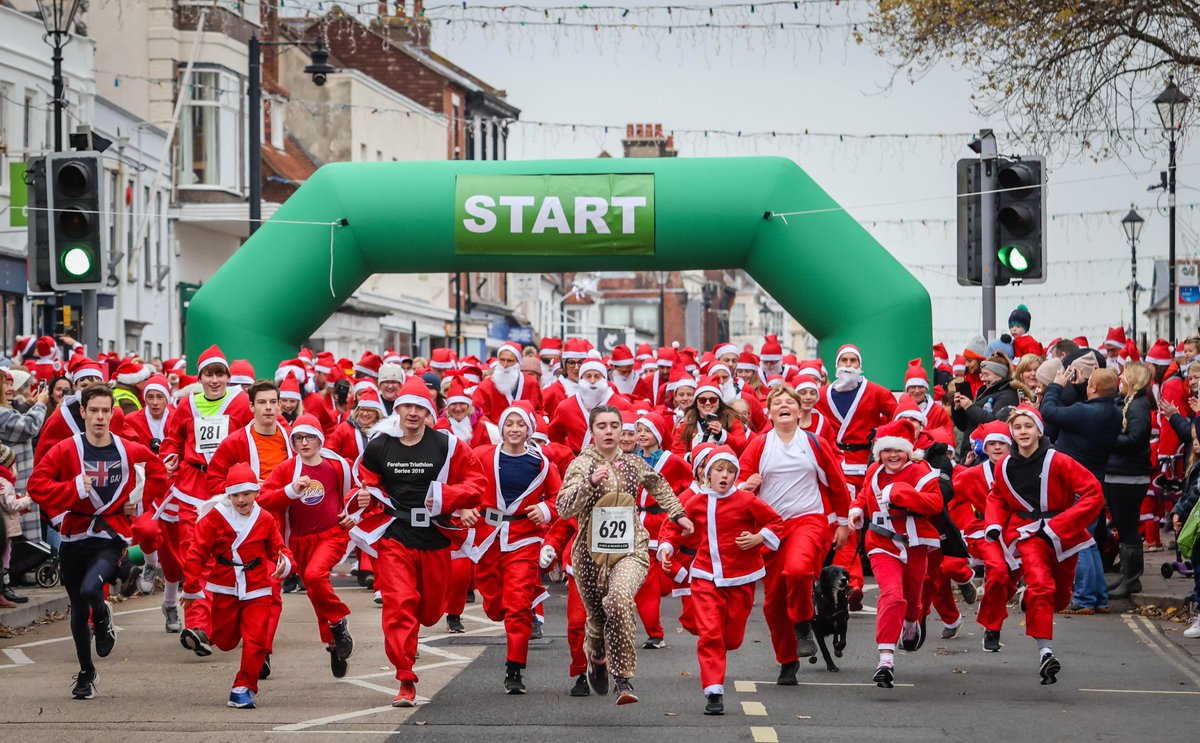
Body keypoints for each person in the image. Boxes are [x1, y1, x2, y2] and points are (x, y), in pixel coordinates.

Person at [344, 376, 485, 708]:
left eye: (419, 407)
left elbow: (476, 483)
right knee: (399, 605)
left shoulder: (446, 445)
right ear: (397, 409)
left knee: (431, 610)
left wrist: (449, 498)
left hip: (435, 538)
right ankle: (405, 676)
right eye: (405, 406)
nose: (411, 413)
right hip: (395, 537)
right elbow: (364, 485)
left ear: (428, 413)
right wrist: (361, 497)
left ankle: (412, 641)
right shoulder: (380, 445)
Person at [27, 385, 168, 699]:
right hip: (74, 536)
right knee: (78, 610)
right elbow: (37, 486)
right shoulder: (67, 449)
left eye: (106, 411)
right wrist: (72, 489)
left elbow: (156, 469)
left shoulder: (125, 448)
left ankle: (103, 617)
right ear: (84, 413)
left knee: (92, 590)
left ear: (113, 413)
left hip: (110, 535)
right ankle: (86, 672)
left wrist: (140, 504)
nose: (101, 417)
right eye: (94, 411)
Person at [557, 405, 694, 705]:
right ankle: (597, 656)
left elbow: (658, 484)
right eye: (602, 426)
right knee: (595, 619)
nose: (608, 431)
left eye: (614, 426)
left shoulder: (632, 464)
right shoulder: (581, 465)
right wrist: (590, 483)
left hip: (631, 549)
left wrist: (677, 513)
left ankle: (623, 679)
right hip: (590, 555)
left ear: (622, 431)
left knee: (619, 599)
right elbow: (563, 506)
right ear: (592, 432)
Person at [737, 385, 851, 684]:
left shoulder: (813, 442)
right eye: (778, 403)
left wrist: (841, 522)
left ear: (800, 412)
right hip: (771, 528)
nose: (784, 406)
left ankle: (802, 622)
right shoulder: (759, 445)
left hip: (808, 521)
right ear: (770, 412)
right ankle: (787, 661)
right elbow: (738, 487)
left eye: (790, 402)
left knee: (798, 570)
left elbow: (837, 483)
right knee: (773, 602)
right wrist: (746, 485)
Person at [658, 446, 783, 715]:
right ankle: (713, 690)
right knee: (710, 634)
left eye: (730, 471)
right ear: (707, 474)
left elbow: (776, 523)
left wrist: (758, 538)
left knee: (732, 638)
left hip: (742, 578)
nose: (724, 476)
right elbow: (672, 525)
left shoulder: (747, 501)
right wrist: (666, 548)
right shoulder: (696, 501)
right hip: (705, 576)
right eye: (719, 470)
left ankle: (719, 655)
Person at [984, 405, 1104, 685]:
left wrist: (1061, 525)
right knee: (1041, 585)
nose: (1023, 432)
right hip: (1028, 534)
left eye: (1028, 426)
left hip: (1062, 533)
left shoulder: (1059, 460)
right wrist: (993, 524)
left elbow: (1093, 493)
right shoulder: (1004, 465)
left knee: (1060, 598)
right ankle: (1045, 653)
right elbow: (996, 496)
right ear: (1011, 433)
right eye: (1018, 427)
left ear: (1039, 430)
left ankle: (1030, 600)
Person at [459, 402, 560, 694]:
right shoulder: (481, 455)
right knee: (493, 605)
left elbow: (560, 497)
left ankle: (514, 668)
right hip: (488, 538)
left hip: (525, 538)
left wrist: (545, 508)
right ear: (501, 428)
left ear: (529, 430)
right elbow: (463, 482)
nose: (514, 429)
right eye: (509, 424)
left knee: (517, 603)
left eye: (520, 424)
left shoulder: (541, 463)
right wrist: (465, 506)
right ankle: (509, 615)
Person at [159, 345, 253, 656]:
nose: (214, 380)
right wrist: (170, 456)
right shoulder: (186, 405)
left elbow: (250, 439)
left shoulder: (240, 403)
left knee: (221, 559)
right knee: (192, 557)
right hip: (191, 486)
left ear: (228, 377)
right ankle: (196, 626)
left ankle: (214, 624)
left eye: (220, 374)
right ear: (200, 378)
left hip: (226, 489)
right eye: (208, 374)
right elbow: (174, 438)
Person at [182, 463, 293, 709]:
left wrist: (285, 563)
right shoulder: (214, 518)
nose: (241, 500)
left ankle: (243, 688)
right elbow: (196, 552)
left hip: (257, 588)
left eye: (246, 493)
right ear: (228, 495)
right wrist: (191, 588)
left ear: (256, 492)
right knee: (226, 639)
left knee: (257, 641)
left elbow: (278, 549)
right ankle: (211, 637)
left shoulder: (264, 518)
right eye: (235, 495)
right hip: (224, 586)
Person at [258, 414, 356, 678]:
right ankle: (334, 642)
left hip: (331, 535)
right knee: (314, 592)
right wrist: (290, 491)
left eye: (309, 437)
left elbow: (359, 492)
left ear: (320, 439)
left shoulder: (338, 465)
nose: (304, 443)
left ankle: (337, 621)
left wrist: (354, 514)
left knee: (314, 575)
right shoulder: (287, 469)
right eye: (298, 438)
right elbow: (265, 498)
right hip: (297, 541)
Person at [847, 419, 943, 688]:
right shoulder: (874, 472)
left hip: (915, 541)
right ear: (879, 453)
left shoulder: (921, 471)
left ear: (908, 451)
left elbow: (935, 503)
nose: (892, 455)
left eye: (898, 450)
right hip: (880, 541)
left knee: (912, 600)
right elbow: (864, 494)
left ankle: (912, 623)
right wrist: (856, 510)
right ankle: (885, 659)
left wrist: (901, 493)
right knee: (892, 595)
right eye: (887, 450)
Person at [816, 344, 897, 609]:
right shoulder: (823, 394)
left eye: (853, 361)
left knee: (880, 524)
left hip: (872, 465)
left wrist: (882, 437)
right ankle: (852, 584)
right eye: (844, 360)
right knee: (850, 526)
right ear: (836, 365)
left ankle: (883, 576)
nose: (848, 365)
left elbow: (897, 416)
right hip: (841, 467)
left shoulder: (875, 391)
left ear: (860, 365)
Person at [1040, 366, 1121, 614]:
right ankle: (1099, 598)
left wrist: (1056, 385)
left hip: (1075, 482)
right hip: (1095, 480)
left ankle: (1085, 599)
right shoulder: (1114, 412)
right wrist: (1078, 385)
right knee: (1090, 541)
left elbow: (1048, 411)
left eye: (1089, 384)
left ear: (1093, 388)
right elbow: (1081, 407)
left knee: (1077, 540)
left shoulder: (1085, 413)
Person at [949, 421, 1017, 651]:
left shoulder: (1019, 470)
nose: (997, 448)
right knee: (997, 571)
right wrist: (966, 525)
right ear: (984, 448)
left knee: (1009, 582)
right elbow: (951, 499)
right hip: (983, 532)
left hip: (1017, 533)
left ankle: (990, 607)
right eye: (992, 444)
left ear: (1010, 447)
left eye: (1002, 443)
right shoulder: (972, 475)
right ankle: (992, 629)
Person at [630, 413, 694, 649]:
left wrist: (683, 516)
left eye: (647, 430)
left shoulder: (673, 461)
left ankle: (680, 581)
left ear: (658, 434)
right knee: (646, 582)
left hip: (666, 523)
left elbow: (690, 489)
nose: (642, 435)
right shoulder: (632, 460)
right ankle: (655, 633)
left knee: (664, 578)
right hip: (638, 523)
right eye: (639, 431)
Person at [1104, 361, 1154, 599]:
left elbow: (1136, 439)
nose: (1120, 378)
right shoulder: (1127, 402)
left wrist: (1107, 439)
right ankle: (1126, 576)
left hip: (1130, 476)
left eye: (1124, 375)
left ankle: (1131, 579)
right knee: (1124, 527)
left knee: (1128, 527)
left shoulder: (1139, 406)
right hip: (1120, 473)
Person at [123, 374, 174, 598]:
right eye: (150, 397)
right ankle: (150, 564)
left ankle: (172, 602)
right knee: (145, 529)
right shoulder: (133, 420)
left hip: (176, 490)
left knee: (176, 555)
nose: (154, 402)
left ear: (167, 399)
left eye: (159, 397)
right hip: (147, 488)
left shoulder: (177, 418)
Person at [549, 360, 630, 454]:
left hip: (613, 461)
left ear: (604, 378)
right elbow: (554, 437)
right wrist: (566, 458)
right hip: (577, 462)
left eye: (597, 376)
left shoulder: (621, 405)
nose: (592, 381)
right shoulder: (566, 407)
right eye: (588, 376)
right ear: (581, 378)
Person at [670, 377, 749, 456]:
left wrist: (723, 435)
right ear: (696, 403)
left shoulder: (731, 421)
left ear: (719, 402)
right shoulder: (686, 425)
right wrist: (690, 457)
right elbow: (676, 454)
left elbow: (743, 449)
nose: (707, 403)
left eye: (712, 400)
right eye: (702, 400)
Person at [951, 352, 1019, 439]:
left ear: (1000, 375)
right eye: (982, 374)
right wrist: (958, 409)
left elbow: (995, 423)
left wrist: (970, 407)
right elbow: (965, 426)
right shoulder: (984, 392)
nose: (983, 378)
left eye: (987, 374)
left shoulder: (1008, 395)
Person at [473, 343, 544, 423]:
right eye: (502, 360)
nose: (505, 365)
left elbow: (539, 411)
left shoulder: (531, 384)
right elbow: (479, 415)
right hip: (493, 433)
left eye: (510, 361)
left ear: (518, 362)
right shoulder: (485, 386)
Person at [327, 389, 384, 463]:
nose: (365, 414)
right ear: (357, 411)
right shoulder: (344, 428)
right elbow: (329, 453)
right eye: (362, 409)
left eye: (369, 410)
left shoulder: (383, 432)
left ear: (377, 413)